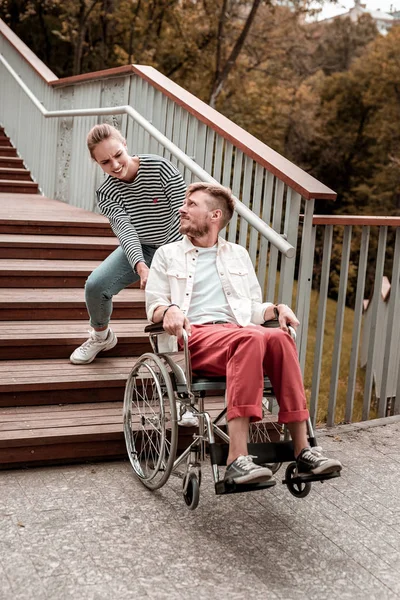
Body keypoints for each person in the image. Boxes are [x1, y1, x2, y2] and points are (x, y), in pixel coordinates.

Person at [145, 181, 343, 485]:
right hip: (194, 337)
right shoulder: (167, 255)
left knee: (278, 336)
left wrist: (277, 309)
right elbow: (154, 306)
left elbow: (251, 308)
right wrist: (169, 310)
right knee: (250, 336)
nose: (182, 209)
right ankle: (238, 458)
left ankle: (304, 450)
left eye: (192, 205)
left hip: (238, 335)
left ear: (214, 216)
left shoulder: (237, 255)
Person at [70, 123, 186, 365]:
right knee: (96, 285)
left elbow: (183, 215)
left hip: (176, 244)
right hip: (142, 246)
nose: (115, 166)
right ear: (96, 162)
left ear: (125, 144)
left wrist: (167, 262)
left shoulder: (161, 168)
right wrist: (141, 266)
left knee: (173, 295)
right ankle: (101, 336)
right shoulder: (107, 192)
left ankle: (178, 356)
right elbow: (125, 230)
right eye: (104, 162)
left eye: (117, 155)